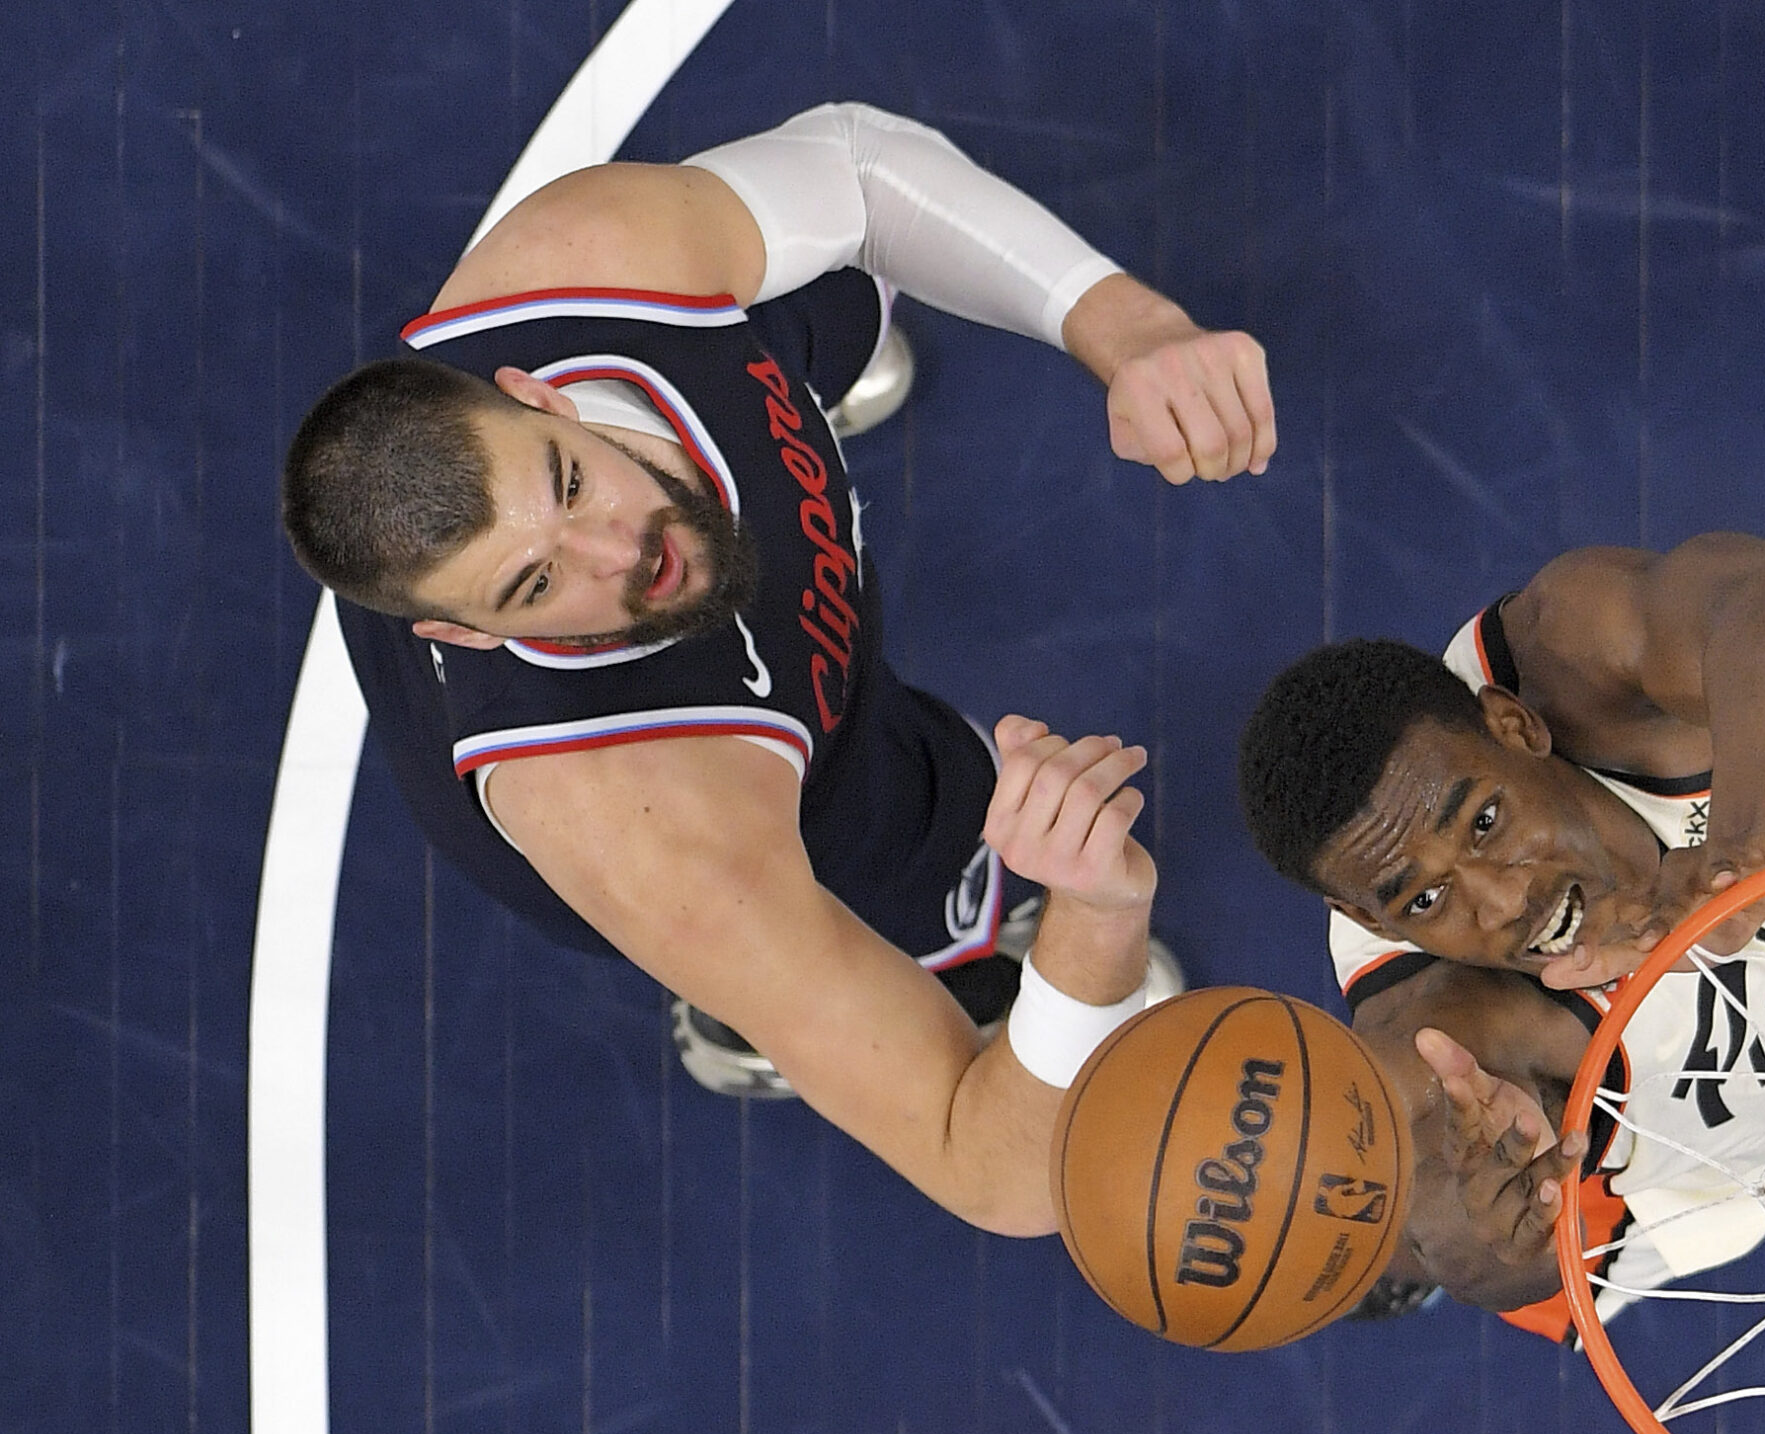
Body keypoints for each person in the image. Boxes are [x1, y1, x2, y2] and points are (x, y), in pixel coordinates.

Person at [282, 102, 1276, 1238]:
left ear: (539, 393)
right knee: (912, 842)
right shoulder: (663, 836)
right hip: (745, 782)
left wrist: (1126, 327)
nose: (626, 553)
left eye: (566, 483)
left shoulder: (589, 265)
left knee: (828, 284)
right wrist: (1093, 916)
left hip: (713, 422)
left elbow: (859, 168)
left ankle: (798, 392)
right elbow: (991, 1170)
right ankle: (763, 1007)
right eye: (535, 588)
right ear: (463, 637)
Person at [1237, 533, 1765, 1336]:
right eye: (1428, 898)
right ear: (1369, 921)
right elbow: (1468, 1234)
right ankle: (1377, 1268)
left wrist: (1750, 857)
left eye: (1483, 821)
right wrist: (1487, 1217)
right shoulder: (1440, 1029)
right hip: (1709, 1184)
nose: (1504, 898)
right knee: (1384, 1208)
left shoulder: (1574, 659)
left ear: (1514, 726)